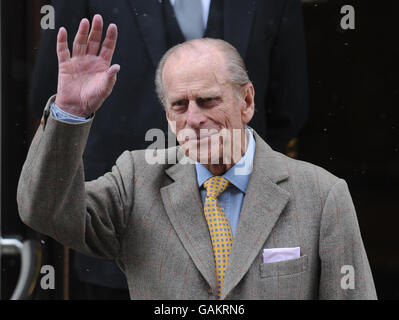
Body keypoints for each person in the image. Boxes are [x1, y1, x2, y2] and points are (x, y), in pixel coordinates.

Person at [18, 16, 375, 300]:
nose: (194, 119)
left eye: (208, 101)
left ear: (247, 102)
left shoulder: (322, 195)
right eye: (179, 105)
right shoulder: (137, 180)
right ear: (167, 114)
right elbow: (44, 211)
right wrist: (70, 114)